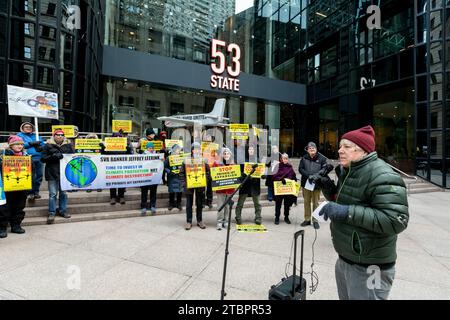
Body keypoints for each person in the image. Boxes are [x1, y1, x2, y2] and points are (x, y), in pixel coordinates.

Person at [316, 125, 409, 300]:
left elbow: (396, 220)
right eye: (340, 146)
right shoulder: (350, 171)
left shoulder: (382, 175)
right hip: (347, 259)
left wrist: (347, 212)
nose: (340, 150)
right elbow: (345, 201)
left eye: (347, 147)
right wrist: (328, 188)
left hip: (370, 265)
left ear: (363, 150)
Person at [41, 129, 75, 224]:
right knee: (53, 194)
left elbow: (73, 157)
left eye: (62, 135)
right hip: (52, 173)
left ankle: (63, 211)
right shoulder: (47, 145)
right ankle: (51, 212)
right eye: (57, 134)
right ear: (54, 136)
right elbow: (42, 159)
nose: (60, 136)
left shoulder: (68, 145)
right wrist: (53, 156)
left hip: (64, 174)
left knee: (63, 193)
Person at [0, 136, 30, 237]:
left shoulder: (26, 156)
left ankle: (16, 225)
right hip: (7, 187)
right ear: (11, 145)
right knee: (4, 208)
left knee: (19, 207)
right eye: (17, 144)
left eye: (21, 144)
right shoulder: (3, 156)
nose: (20, 146)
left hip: (22, 186)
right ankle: (2, 227)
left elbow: (30, 171)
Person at [179, 142, 210, 230]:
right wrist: (184, 183)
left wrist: (205, 180)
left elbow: (208, 172)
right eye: (195, 149)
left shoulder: (203, 160)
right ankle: (189, 221)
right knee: (189, 204)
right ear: (192, 150)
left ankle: (199, 221)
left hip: (200, 185)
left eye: (198, 149)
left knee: (199, 203)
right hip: (189, 185)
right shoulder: (186, 160)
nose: (197, 151)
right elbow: (181, 173)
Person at [298, 141, 327, 229]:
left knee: (316, 203)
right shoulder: (304, 158)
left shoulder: (322, 159)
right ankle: (307, 219)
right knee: (306, 202)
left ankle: (315, 220)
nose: (312, 149)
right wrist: (308, 176)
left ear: (316, 149)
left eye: (313, 148)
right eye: (310, 148)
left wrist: (314, 177)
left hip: (317, 184)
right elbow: (300, 169)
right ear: (307, 150)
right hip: (306, 183)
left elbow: (324, 170)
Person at [101, 130, 133, 205]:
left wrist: (127, 148)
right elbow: (104, 155)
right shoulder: (109, 146)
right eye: (116, 136)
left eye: (119, 136)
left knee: (121, 182)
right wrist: (103, 148)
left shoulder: (124, 145)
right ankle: (113, 197)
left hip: (122, 167)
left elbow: (129, 155)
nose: (118, 138)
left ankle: (121, 196)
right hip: (112, 167)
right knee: (112, 183)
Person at [235, 144, 263, 225]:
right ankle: (238, 217)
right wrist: (242, 174)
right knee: (240, 202)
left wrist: (263, 175)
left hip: (255, 184)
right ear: (247, 150)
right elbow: (239, 171)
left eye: (252, 149)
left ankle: (258, 217)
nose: (251, 151)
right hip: (245, 184)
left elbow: (261, 171)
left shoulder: (257, 160)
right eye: (249, 149)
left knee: (257, 203)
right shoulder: (243, 160)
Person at [17, 122, 45, 201]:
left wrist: (41, 147)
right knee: (30, 177)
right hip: (27, 159)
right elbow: (19, 144)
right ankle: (30, 193)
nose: (28, 128)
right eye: (26, 127)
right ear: (22, 128)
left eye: (30, 127)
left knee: (39, 176)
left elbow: (43, 145)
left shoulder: (37, 136)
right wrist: (30, 144)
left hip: (39, 158)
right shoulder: (19, 136)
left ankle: (36, 192)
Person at [212, 147, 236, 230]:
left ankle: (226, 222)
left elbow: (236, 176)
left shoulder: (233, 164)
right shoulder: (217, 163)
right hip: (220, 189)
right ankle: (219, 222)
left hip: (230, 190)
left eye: (227, 153)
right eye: (224, 153)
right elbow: (213, 175)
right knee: (220, 206)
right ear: (222, 155)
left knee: (227, 207)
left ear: (230, 155)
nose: (226, 155)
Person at [272, 153, 297, 225]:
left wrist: (289, 180)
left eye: (286, 158)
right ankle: (277, 217)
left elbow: (293, 176)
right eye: (284, 158)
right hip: (280, 188)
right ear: (281, 159)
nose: (285, 160)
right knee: (278, 204)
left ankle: (286, 217)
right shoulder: (277, 166)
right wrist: (281, 179)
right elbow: (274, 176)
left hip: (287, 189)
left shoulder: (290, 167)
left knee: (287, 204)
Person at [140, 141, 160, 215]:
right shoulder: (142, 155)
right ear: (147, 148)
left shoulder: (156, 155)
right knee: (144, 192)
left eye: (152, 148)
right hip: (145, 177)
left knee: (153, 192)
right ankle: (143, 206)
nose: (151, 149)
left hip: (153, 177)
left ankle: (153, 205)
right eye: (149, 148)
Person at [164, 144, 183, 211]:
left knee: (180, 191)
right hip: (172, 177)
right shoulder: (169, 158)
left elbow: (184, 166)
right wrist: (169, 172)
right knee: (172, 191)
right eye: (176, 150)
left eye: (178, 150)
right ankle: (171, 204)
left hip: (179, 177)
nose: (177, 151)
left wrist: (182, 171)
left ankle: (179, 204)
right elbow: (165, 167)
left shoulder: (181, 158)